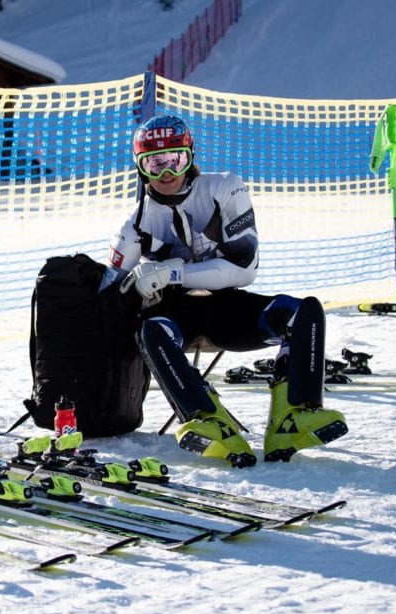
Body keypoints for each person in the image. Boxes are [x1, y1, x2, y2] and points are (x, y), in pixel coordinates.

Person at [100, 115, 348, 468]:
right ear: (141, 167)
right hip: (176, 318)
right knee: (150, 328)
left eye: (175, 160)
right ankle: (205, 418)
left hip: (227, 307)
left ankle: (293, 416)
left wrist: (172, 271)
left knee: (304, 311)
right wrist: (131, 285)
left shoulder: (224, 188)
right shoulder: (135, 223)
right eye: (155, 164)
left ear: (190, 155)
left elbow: (244, 268)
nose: (166, 173)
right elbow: (110, 289)